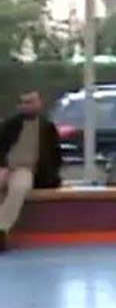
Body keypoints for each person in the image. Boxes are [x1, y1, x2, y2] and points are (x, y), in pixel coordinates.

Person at [0, 91, 62, 251]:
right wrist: (3, 167)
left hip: (26, 169)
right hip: (5, 166)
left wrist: (51, 174)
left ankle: (2, 229)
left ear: (39, 104)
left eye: (31, 102)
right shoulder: (10, 125)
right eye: (25, 103)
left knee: (19, 188)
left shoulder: (47, 127)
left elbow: (55, 154)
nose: (28, 106)